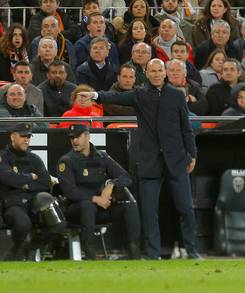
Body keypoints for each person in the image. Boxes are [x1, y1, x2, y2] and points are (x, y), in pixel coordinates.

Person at [78, 58, 201, 260]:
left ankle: (192, 250)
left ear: (165, 73)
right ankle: (153, 254)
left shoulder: (177, 96)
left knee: (186, 208)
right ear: (147, 73)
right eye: (151, 71)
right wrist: (94, 95)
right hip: (150, 161)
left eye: (158, 70)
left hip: (177, 160)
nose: (154, 74)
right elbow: (114, 96)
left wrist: (193, 154)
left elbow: (186, 128)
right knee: (149, 211)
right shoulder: (139, 95)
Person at [58, 124, 141, 260]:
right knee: (87, 205)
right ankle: (91, 255)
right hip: (76, 210)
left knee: (129, 206)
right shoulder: (66, 161)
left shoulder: (102, 157)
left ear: (87, 136)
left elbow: (126, 177)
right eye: (72, 138)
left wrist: (111, 185)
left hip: (101, 210)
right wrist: (96, 199)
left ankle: (134, 252)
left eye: (77, 137)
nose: (74, 141)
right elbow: (70, 192)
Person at [0, 123, 64, 261]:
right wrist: (30, 177)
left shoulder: (34, 158)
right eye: (23, 136)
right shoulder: (3, 157)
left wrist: (25, 185)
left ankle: (30, 248)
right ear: (12, 136)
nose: (26, 140)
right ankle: (16, 251)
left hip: (35, 204)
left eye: (28, 136)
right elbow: (8, 178)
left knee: (58, 224)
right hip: (13, 203)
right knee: (23, 224)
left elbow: (46, 183)